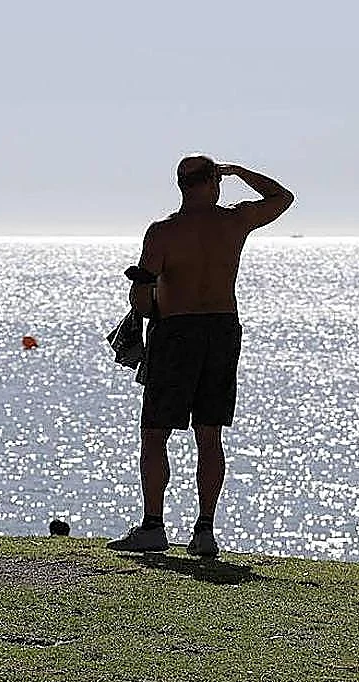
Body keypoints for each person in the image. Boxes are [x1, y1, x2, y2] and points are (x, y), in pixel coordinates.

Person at [107, 155, 293, 556]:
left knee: (155, 432)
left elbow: (142, 298)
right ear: (214, 181)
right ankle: (204, 531)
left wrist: (145, 315)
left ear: (180, 185)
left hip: (176, 333)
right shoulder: (234, 221)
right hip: (222, 331)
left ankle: (153, 526)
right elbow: (282, 197)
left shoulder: (163, 232)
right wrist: (240, 171)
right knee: (209, 434)